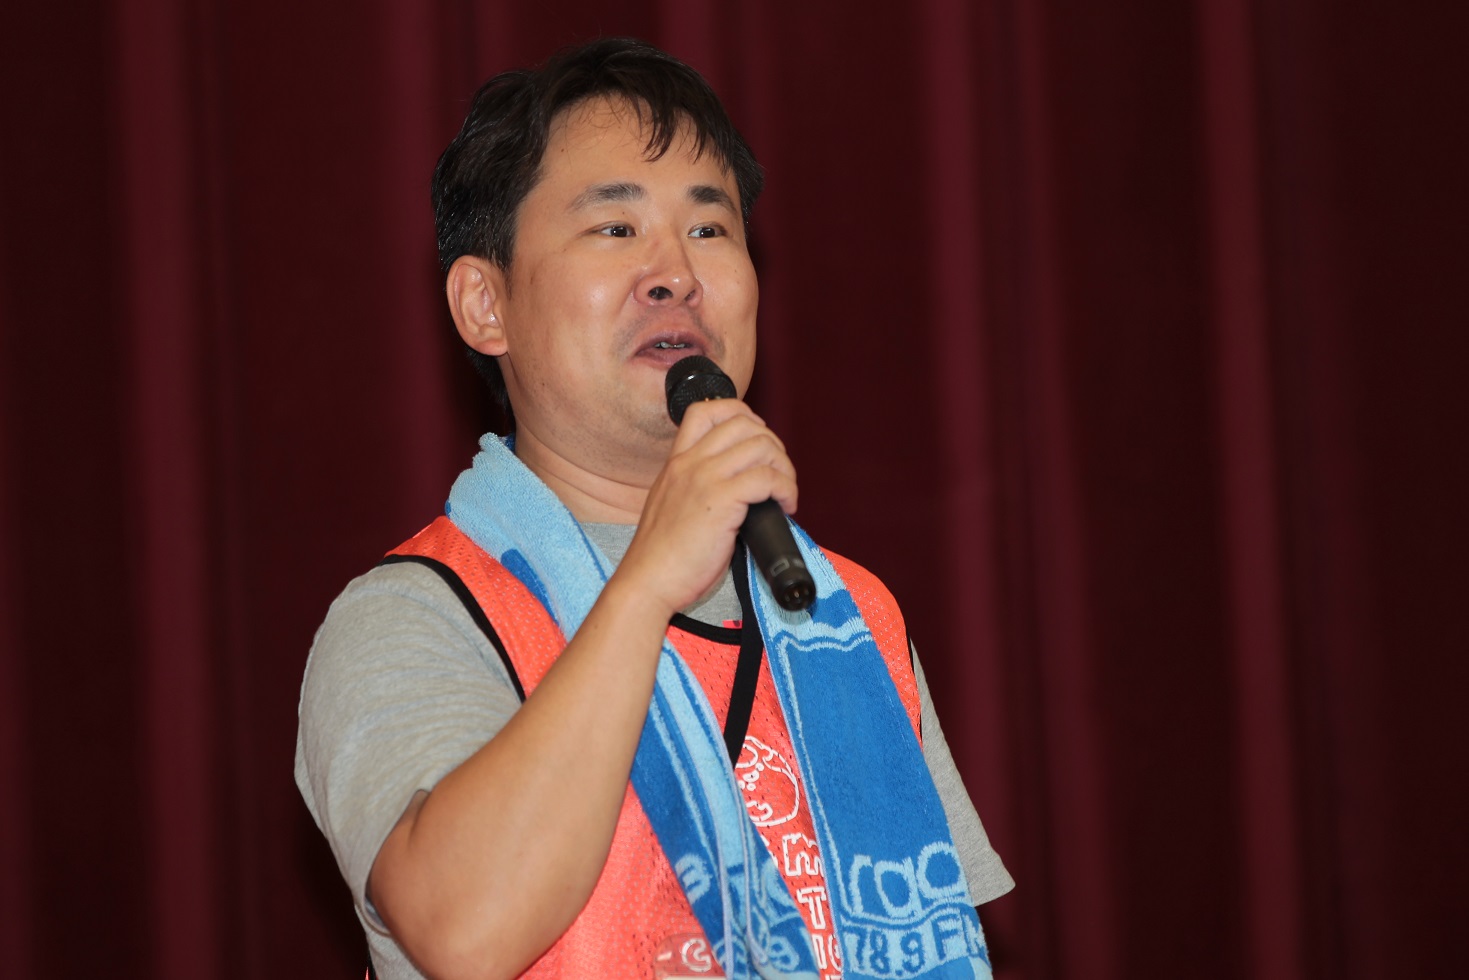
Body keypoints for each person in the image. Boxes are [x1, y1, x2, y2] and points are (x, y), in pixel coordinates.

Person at [295, 37, 1013, 980]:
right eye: (615, 228)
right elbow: (464, 931)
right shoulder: (413, 616)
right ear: (484, 304)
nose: (675, 272)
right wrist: (645, 586)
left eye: (709, 229)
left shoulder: (848, 614)